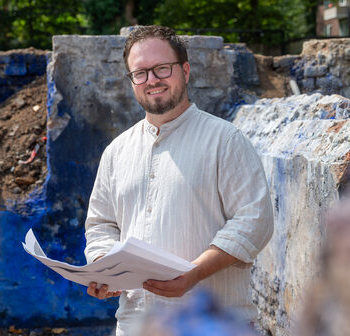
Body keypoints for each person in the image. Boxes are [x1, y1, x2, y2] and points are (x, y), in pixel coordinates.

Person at [84, 25, 274, 335]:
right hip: (136, 325)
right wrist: (106, 266)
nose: (152, 80)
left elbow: (255, 220)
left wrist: (195, 273)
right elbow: (101, 224)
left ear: (185, 70)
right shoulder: (116, 151)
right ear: (131, 80)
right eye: (140, 72)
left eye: (162, 68)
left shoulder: (225, 140)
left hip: (213, 325)